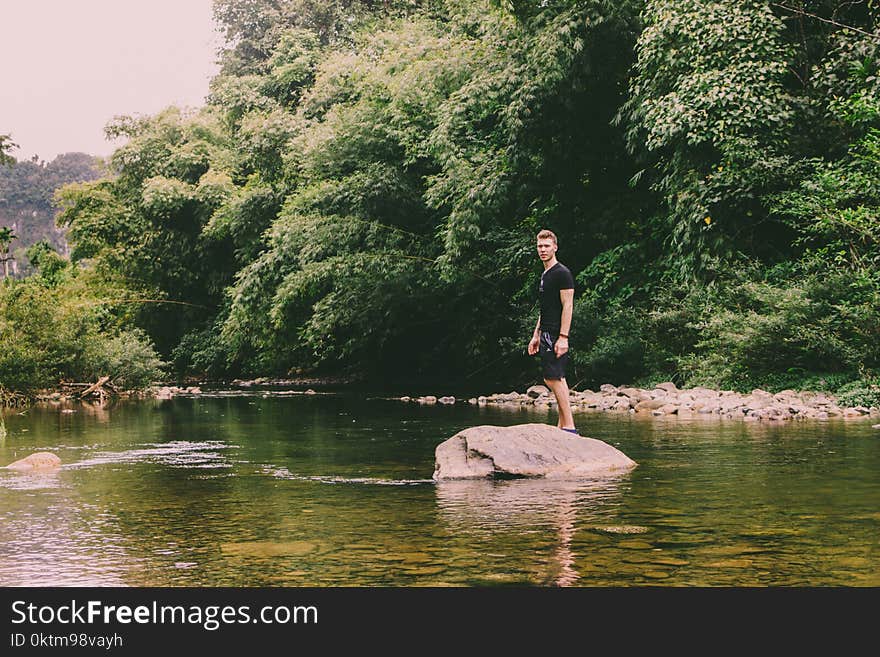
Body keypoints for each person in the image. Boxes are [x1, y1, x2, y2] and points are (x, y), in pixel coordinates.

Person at [527, 229, 577, 434]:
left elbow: (568, 306)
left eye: (547, 246)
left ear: (555, 247)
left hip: (556, 333)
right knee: (557, 377)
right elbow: (545, 308)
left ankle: (570, 427)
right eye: (539, 246)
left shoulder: (562, 273)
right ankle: (562, 425)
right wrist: (536, 335)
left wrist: (563, 337)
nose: (543, 250)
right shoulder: (546, 274)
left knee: (552, 378)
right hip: (546, 332)